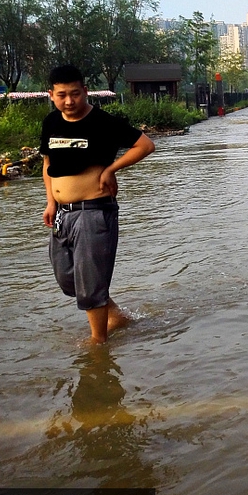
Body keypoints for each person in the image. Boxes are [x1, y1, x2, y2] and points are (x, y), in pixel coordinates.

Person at [40, 65, 156, 344]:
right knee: (67, 279)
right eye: (62, 95)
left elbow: (145, 145)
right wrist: (50, 202)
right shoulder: (51, 122)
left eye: (75, 94)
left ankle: (98, 342)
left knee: (89, 282)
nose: (69, 101)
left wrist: (111, 169)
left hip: (93, 212)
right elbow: (47, 163)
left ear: (86, 92)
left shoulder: (103, 122)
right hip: (62, 214)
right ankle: (115, 314)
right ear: (51, 95)